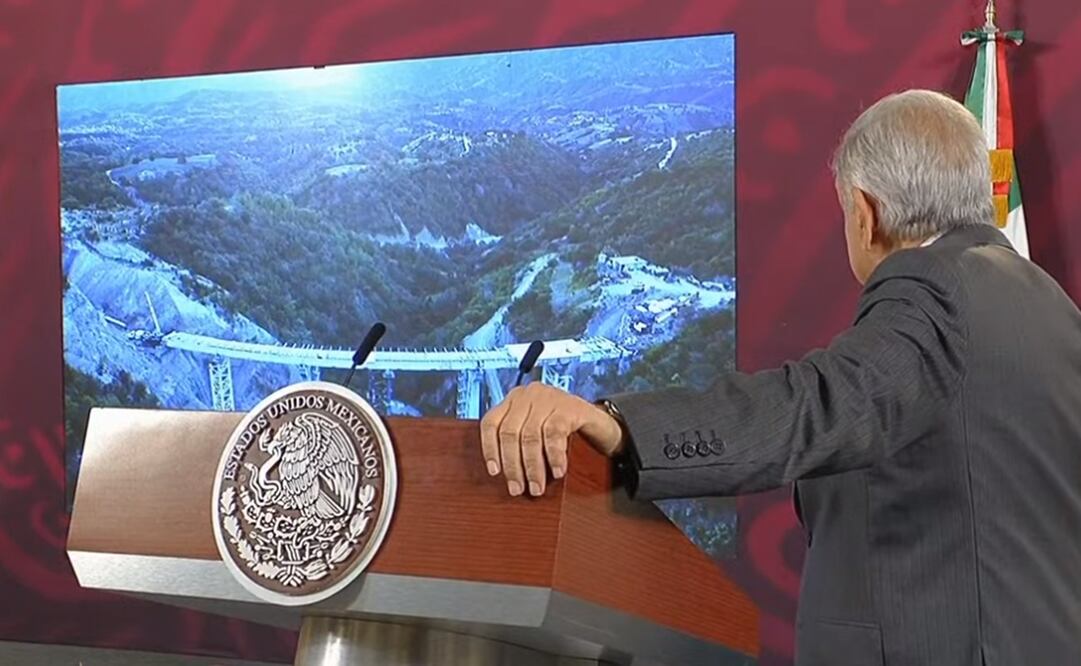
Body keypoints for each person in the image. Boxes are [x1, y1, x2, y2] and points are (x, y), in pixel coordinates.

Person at [479, 90, 1081, 666]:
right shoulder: (1051, 305)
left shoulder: (931, 289)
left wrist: (617, 425)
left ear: (864, 214)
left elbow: (814, 405)